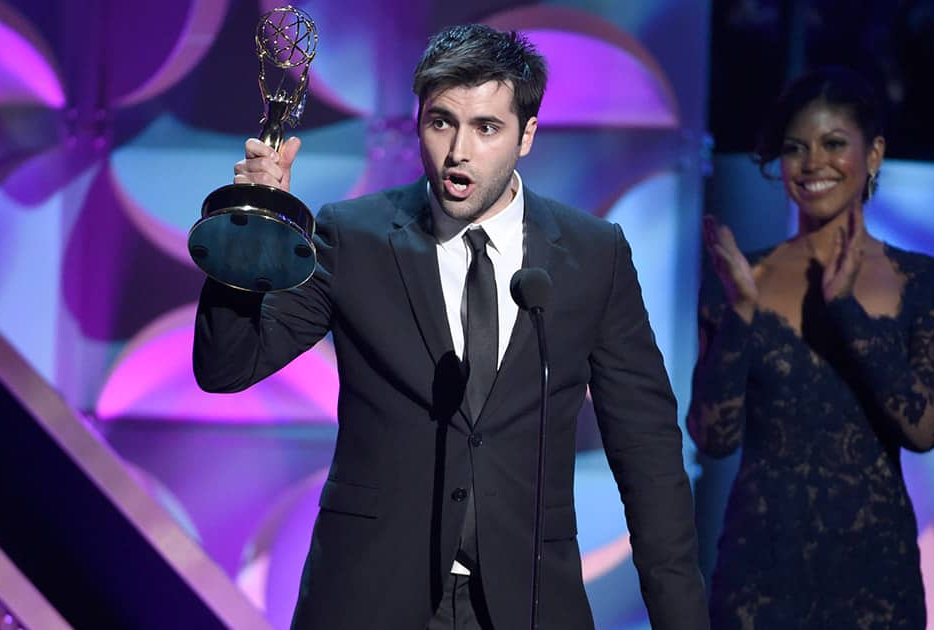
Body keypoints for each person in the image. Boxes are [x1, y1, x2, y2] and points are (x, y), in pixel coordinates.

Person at [194, 23, 708, 630]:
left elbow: (646, 450)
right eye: (442, 122)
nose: (458, 151)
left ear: (527, 136)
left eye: (486, 128)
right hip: (371, 597)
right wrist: (247, 233)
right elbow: (226, 368)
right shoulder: (353, 237)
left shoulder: (593, 256)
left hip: (529, 602)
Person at [688, 66, 934, 628]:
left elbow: (928, 429)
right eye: (796, 148)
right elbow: (713, 438)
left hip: (875, 582)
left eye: (834, 144)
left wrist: (847, 313)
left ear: (874, 154)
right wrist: (739, 314)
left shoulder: (925, 280)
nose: (814, 163)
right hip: (758, 579)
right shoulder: (743, 276)